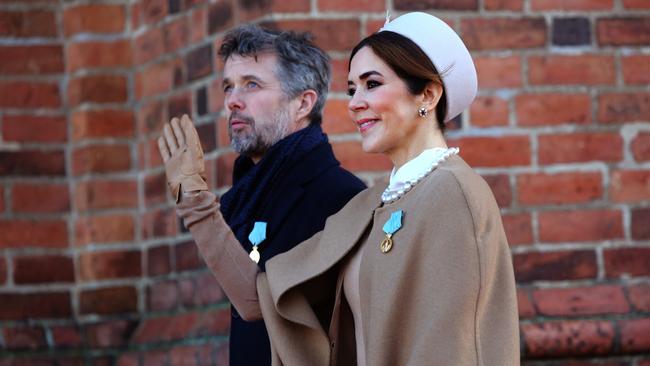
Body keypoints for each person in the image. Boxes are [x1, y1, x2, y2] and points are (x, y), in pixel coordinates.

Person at [159, 12, 519, 366]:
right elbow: (261, 298)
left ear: (427, 95)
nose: (354, 102)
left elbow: (453, 351)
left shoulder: (454, 192)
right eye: (352, 89)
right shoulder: (370, 205)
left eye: (372, 84)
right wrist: (193, 197)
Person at [158, 25, 366, 365]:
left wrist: (196, 204)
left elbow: (259, 304)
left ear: (303, 102)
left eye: (251, 84)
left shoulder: (341, 199)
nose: (232, 101)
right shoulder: (242, 200)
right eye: (228, 87)